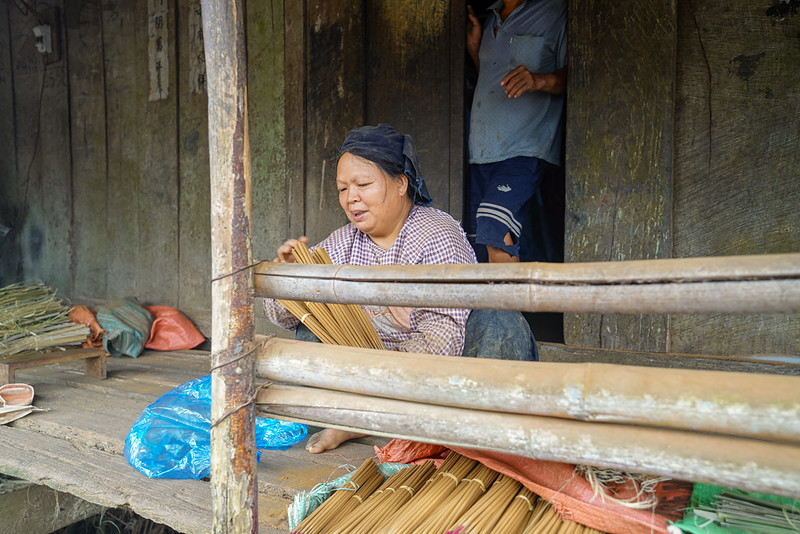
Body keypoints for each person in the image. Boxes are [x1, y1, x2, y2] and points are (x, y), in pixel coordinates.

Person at [263, 124, 536, 454]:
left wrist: (378, 378)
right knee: (311, 330)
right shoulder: (342, 242)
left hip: (438, 380)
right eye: (342, 189)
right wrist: (287, 277)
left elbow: (442, 340)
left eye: (363, 184)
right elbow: (285, 318)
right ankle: (364, 418)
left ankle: (387, 420)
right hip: (368, 377)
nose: (351, 198)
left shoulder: (436, 235)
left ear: (401, 182)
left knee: (501, 326)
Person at [466, 0, 567, 263]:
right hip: (481, 151)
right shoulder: (490, 18)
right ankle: (503, 304)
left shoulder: (555, 11)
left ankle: (503, 305)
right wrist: (477, 51)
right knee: (477, 243)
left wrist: (538, 79)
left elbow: (584, 74)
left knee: (493, 225)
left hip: (524, 148)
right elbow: (494, 81)